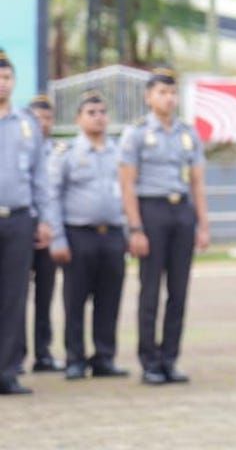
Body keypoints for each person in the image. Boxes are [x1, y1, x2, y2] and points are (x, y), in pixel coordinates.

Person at [119, 67, 210, 385]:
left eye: (172, 93)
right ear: (149, 96)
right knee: (150, 290)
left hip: (181, 211)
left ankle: (170, 358)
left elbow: (197, 182)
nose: (168, 98)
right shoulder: (138, 133)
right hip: (151, 211)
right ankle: (150, 361)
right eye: (162, 92)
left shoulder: (188, 133)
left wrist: (202, 225)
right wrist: (135, 228)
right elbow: (127, 185)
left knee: (179, 290)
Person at [46, 91, 128, 380]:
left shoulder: (119, 153)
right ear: (78, 119)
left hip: (113, 234)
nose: (98, 117)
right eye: (91, 113)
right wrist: (57, 238)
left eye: (102, 112)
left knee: (110, 299)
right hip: (79, 235)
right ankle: (75, 358)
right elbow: (52, 196)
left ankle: (104, 357)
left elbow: (129, 195)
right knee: (76, 300)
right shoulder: (67, 153)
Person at [0, 50, 51, 395]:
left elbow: (40, 176)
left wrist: (44, 220)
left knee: (14, 297)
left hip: (18, 218)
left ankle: (7, 370)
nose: (2, 83)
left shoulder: (26, 124)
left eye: (7, 77)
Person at [23, 94, 63, 374]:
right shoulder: (17, 148)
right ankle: (13, 354)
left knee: (45, 296)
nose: (43, 124)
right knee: (14, 296)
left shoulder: (60, 152)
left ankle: (43, 353)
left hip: (48, 232)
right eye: (38, 119)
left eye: (48, 119)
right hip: (21, 228)